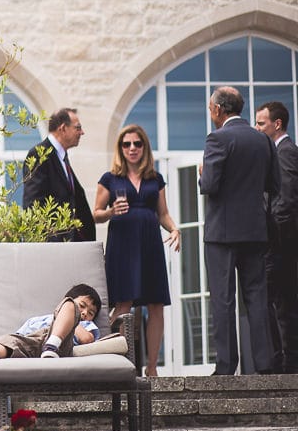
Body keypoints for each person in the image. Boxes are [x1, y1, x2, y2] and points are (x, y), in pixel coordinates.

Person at [200, 86, 278, 375]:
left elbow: (210, 185)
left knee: (223, 299)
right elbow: (275, 186)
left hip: (222, 234)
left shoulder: (217, 138)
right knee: (256, 298)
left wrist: (202, 174)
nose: (210, 114)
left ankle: (225, 366)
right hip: (255, 232)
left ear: (219, 110)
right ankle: (265, 364)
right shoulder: (263, 140)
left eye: (211, 109)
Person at [94, 125, 181, 377]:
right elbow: (96, 214)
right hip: (122, 243)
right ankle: (124, 365)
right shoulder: (110, 178)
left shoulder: (155, 178)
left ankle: (152, 368)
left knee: (156, 304)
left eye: (137, 143)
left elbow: (163, 214)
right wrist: (111, 212)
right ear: (120, 149)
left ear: (144, 147)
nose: (132, 148)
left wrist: (175, 229)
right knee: (123, 303)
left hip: (150, 243)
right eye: (126, 144)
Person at [0, 283, 101, 365]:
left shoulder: (86, 325)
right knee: (10, 340)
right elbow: (17, 337)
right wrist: (0, 345)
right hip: (32, 345)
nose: (85, 313)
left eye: (91, 313)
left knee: (70, 307)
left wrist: (73, 319)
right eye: (82, 306)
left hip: (62, 346)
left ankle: (52, 345)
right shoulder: (38, 320)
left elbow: (87, 339)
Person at [255, 101, 298, 373]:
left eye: (261, 123)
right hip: (281, 242)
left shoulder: (286, 152)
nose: (257, 128)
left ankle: (284, 361)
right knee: (279, 301)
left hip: (282, 243)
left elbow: (286, 199)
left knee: (275, 301)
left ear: (277, 124)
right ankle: (285, 360)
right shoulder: (277, 152)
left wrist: (275, 240)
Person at [22, 108, 97, 242]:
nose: (82, 132)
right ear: (63, 128)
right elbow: (33, 204)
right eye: (78, 128)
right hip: (55, 246)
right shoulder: (40, 154)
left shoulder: (61, 157)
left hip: (71, 243)